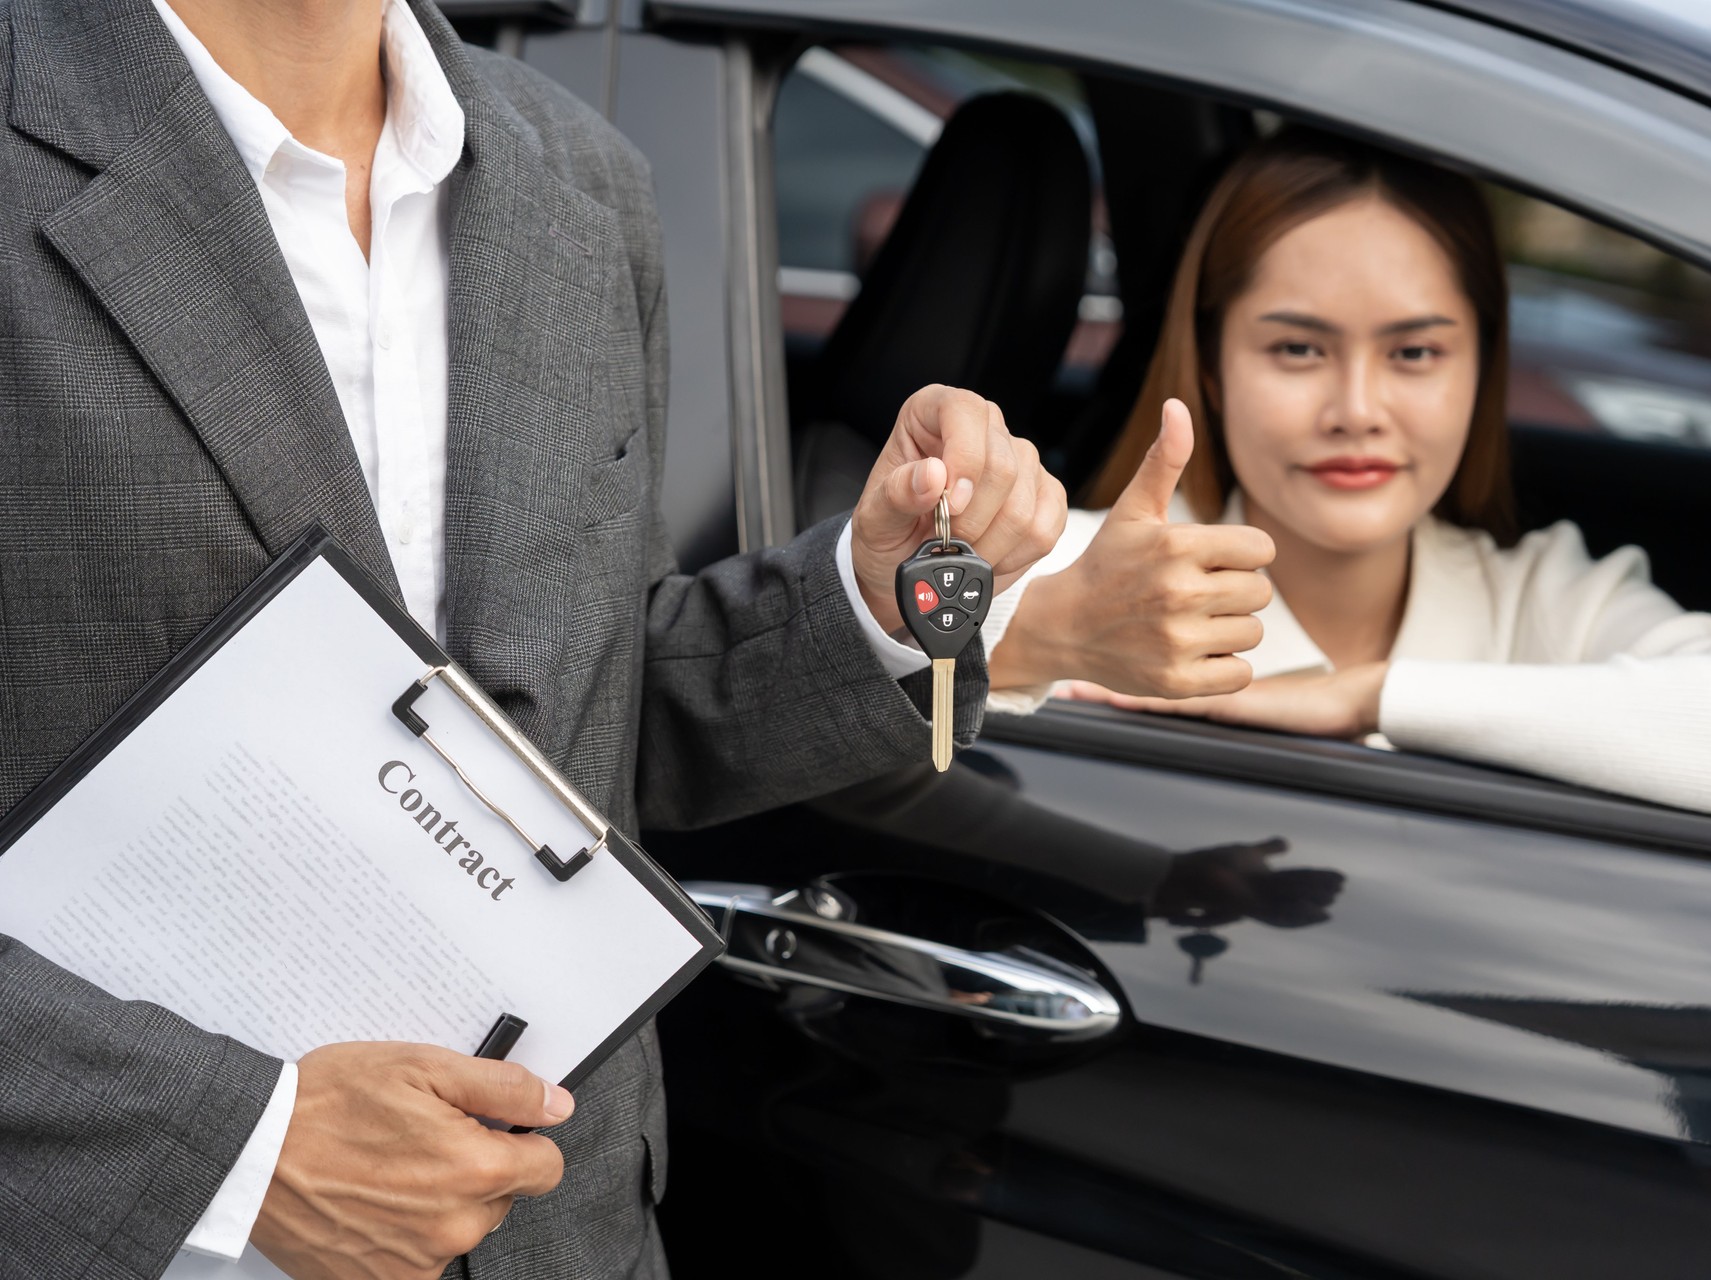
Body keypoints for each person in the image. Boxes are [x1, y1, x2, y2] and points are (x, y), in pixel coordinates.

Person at [0, 1, 1065, 1277]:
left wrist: (872, 600)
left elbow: (588, 715)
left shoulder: (579, 177)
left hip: (559, 1227)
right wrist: (233, 1144)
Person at [983, 129, 1711, 823]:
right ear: (1211, 365)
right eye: (1297, 348)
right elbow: (883, 671)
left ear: (1481, 365)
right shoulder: (1093, 576)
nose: (1358, 408)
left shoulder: (1539, 596)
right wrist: (1045, 637)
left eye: (1414, 351)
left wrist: (1367, 697)